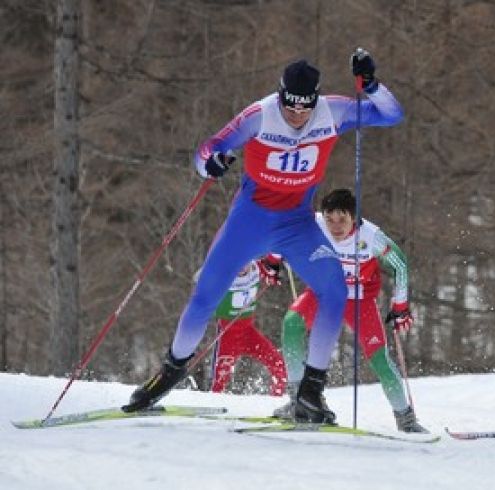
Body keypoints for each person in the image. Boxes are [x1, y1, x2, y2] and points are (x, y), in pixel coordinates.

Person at [123, 48, 403, 425]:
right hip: (250, 222)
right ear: (280, 95)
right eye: (291, 107)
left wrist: (370, 86)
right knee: (206, 294)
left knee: (335, 289)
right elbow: (208, 148)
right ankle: (166, 376)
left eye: (305, 108)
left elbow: (391, 114)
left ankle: (309, 394)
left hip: (297, 225)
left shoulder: (333, 111)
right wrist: (211, 163)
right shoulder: (259, 115)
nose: (298, 116)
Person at [273, 189, 427, 433]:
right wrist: (272, 259)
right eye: (330, 219)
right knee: (292, 323)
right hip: (323, 294)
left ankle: (406, 419)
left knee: (379, 359)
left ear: (353, 218)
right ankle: (299, 401)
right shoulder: (314, 223)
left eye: (342, 220)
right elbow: (280, 232)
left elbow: (400, 264)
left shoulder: (371, 236)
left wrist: (400, 305)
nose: (335, 226)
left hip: (359, 301)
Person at [206, 256, 287, 396]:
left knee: (279, 365)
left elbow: (272, 262)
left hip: (248, 333)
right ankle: (213, 403)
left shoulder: (257, 269)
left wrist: (276, 270)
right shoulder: (224, 276)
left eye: (245, 261)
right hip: (227, 336)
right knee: (219, 379)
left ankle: (277, 399)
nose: (242, 267)